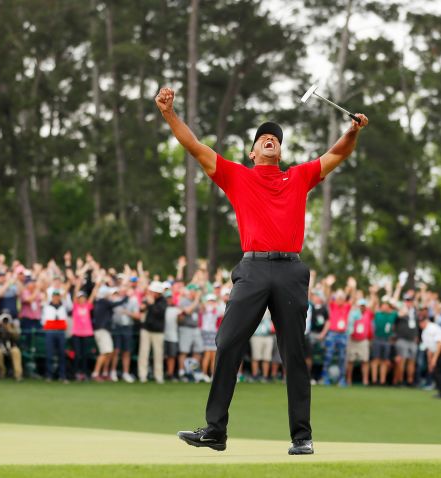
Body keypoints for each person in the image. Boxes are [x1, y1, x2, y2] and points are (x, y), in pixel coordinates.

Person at [157, 85, 368, 455]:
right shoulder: (237, 176)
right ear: (252, 152)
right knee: (226, 342)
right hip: (252, 270)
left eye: (276, 138)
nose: (270, 139)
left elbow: (337, 154)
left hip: (290, 271)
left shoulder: (298, 177)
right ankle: (215, 430)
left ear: (280, 151)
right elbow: (194, 147)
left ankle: (301, 436)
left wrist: (351, 131)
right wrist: (169, 113)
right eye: (263, 138)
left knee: (293, 352)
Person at [136, 281, 168, 384]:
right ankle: (142, 375)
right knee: (143, 353)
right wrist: (143, 307)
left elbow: (159, 313)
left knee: (158, 354)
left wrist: (151, 304)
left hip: (158, 331)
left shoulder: (163, 301)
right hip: (146, 329)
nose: (151, 293)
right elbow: (141, 310)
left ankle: (158, 376)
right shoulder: (148, 299)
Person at [419, 312, 441, 398]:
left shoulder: (432, 327)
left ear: (426, 321)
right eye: (419, 322)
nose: (421, 324)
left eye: (422, 321)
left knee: (438, 372)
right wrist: (430, 362)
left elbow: (439, 344)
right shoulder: (424, 333)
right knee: (436, 371)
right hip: (439, 351)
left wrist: (434, 359)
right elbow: (429, 349)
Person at [177, 285, 204, 381]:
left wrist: (199, 300)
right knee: (184, 350)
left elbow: (203, 310)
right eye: (194, 291)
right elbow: (188, 311)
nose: (196, 293)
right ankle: (181, 371)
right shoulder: (184, 301)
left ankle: (192, 370)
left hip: (195, 328)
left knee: (198, 349)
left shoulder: (196, 301)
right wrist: (196, 300)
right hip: (186, 328)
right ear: (190, 291)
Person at [41, 290, 69, 383]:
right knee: (49, 354)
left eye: (58, 296)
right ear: (52, 297)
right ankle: (49, 375)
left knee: (62, 354)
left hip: (61, 332)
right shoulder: (47, 306)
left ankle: (62, 375)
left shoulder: (63, 306)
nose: (56, 298)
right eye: (54, 296)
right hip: (50, 331)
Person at [393, 295, 419, 386]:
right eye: (407, 301)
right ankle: (399, 380)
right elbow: (396, 318)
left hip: (412, 340)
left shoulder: (414, 312)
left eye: (410, 301)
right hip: (402, 339)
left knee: (411, 361)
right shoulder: (400, 311)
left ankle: (409, 381)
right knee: (401, 360)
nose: (409, 302)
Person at [345, 298, 372, 386]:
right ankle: (348, 379)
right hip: (353, 339)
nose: (362, 307)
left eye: (363, 306)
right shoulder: (353, 314)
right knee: (350, 360)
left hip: (363, 340)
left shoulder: (368, 314)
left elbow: (374, 305)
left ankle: (365, 380)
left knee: (365, 361)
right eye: (360, 306)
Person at [370, 296, 396, 386]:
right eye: (383, 306)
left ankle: (382, 381)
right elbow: (372, 308)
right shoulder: (377, 314)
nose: (384, 307)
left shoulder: (392, 315)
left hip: (387, 340)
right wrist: (374, 295)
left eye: (386, 306)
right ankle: (374, 380)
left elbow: (400, 311)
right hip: (377, 338)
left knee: (385, 360)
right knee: (375, 359)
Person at [0, 313, 23, 381]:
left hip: (11, 347)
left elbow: (17, 338)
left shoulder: (12, 327)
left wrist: (10, 329)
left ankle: (18, 374)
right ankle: (2, 372)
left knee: (16, 351)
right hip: (0, 347)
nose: (5, 323)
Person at [199, 294, 221, 381]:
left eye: (213, 300)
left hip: (214, 333)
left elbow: (220, 313)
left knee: (213, 355)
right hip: (206, 333)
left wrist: (216, 305)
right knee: (207, 354)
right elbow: (203, 308)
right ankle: (204, 374)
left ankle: (212, 375)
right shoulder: (205, 308)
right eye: (210, 301)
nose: (211, 302)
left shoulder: (216, 309)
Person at [250, 310, 275, 382]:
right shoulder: (256, 305)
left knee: (267, 357)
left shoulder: (271, 307)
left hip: (269, 335)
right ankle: (255, 376)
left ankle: (265, 377)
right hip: (257, 335)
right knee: (256, 356)